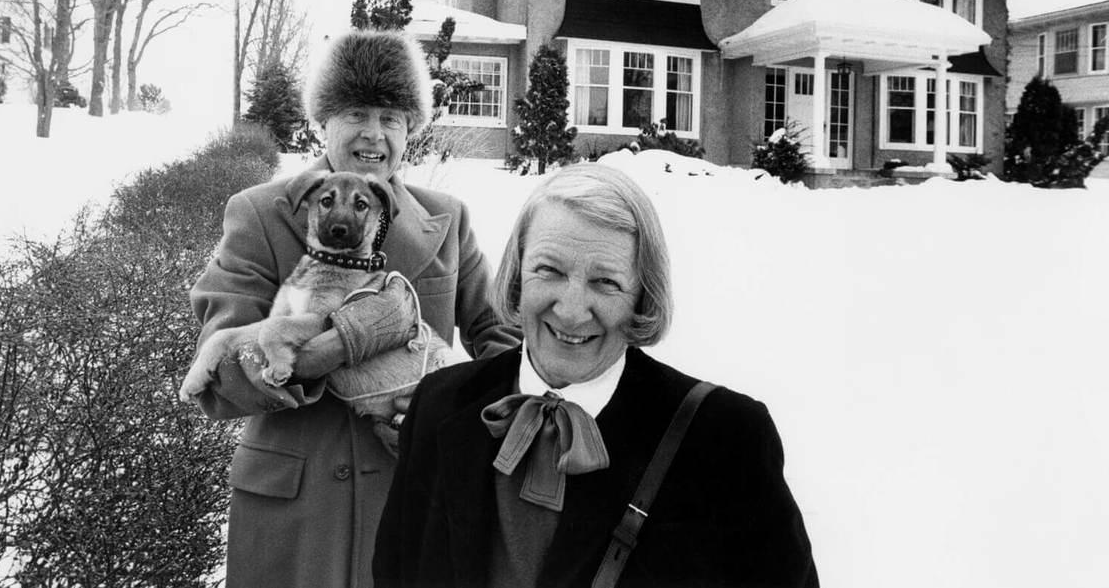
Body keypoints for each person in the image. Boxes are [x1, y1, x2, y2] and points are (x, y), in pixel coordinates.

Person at [374, 163, 818, 588]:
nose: (570, 311)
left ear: (642, 296)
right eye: (549, 270)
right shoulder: (441, 403)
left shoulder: (726, 438)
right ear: (517, 276)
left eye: (605, 282)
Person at [188, 30, 520, 588]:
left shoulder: (448, 220)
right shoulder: (261, 214)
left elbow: (500, 336)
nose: (375, 134)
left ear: (412, 127)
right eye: (356, 113)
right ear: (323, 121)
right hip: (297, 511)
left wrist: (464, 410)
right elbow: (218, 376)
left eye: (392, 117)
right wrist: (328, 349)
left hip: (412, 496)